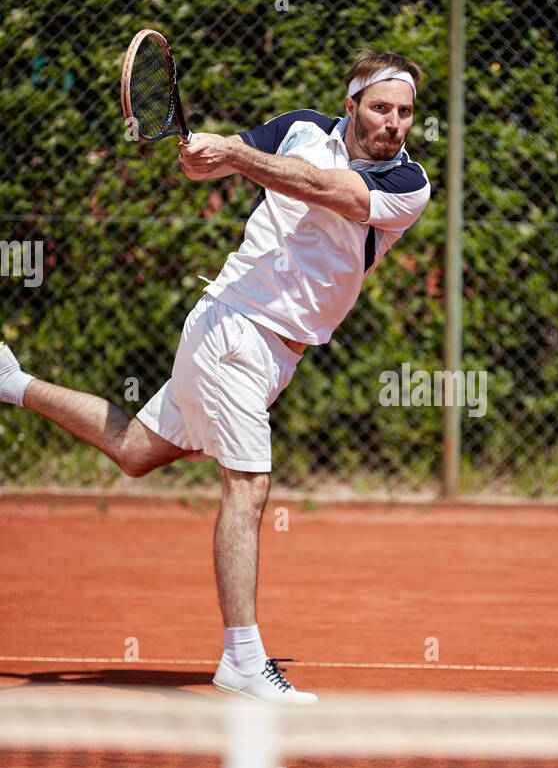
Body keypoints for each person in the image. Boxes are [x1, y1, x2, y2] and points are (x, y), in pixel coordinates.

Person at [0, 49, 431, 704]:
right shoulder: (299, 129)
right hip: (234, 327)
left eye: (404, 112)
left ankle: (10, 382)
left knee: (136, 451)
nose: (394, 123)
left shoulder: (408, 184)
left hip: (273, 354)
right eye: (381, 108)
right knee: (249, 487)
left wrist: (234, 151)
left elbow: (326, 191)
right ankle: (243, 657)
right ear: (351, 105)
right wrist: (203, 157)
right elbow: (208, 164)